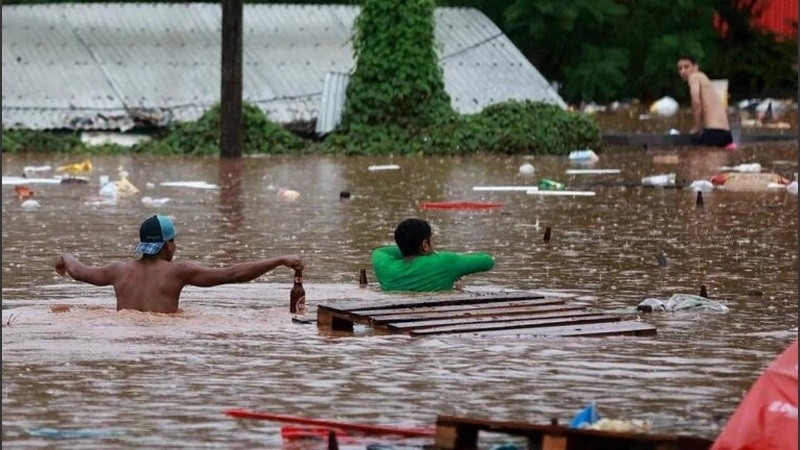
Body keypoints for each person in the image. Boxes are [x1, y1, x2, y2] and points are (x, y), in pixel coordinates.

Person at [54, 214, 303, 314]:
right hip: (165, 336)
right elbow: (234, 274)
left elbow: (78, 271)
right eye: (173, 242)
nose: (175, 247)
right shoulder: (178, 272)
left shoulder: (117, 270)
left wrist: (65, 256)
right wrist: (279, 260)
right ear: (167, 244)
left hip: (124, 334)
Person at [371, 218, 495, 292]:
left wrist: (406, 248)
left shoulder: (385, 267)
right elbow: (488, 261)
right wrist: (435, 254)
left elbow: (380, 251)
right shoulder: (445, 262)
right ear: (425, 244)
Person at [676, 55, 732, 147]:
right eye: (680, 68)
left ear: (695, 67)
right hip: (726, 134)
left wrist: (697, 128)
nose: (683, 71)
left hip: (713, 132)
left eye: (686, 67)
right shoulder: (705, 80)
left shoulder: (694, 76)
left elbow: (696, 102)